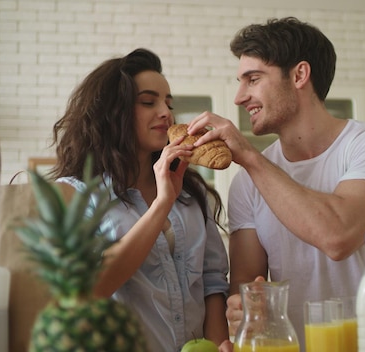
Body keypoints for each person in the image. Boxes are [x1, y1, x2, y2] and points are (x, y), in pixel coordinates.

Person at [187, 17, 365, 350]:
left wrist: (248, 155)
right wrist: (245, 308)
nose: (239, 97)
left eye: (253, 79)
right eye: (239, 81)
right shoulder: (248, 183)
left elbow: (338, 236)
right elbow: (246, 285)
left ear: (299, 75)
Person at [48, 48, 230, 352]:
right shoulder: (77, 195)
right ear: (113, 112)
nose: (166, 113)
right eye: (148, 102)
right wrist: (161, 205)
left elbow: (212, 283)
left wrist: (215, 345)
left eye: (168, 103)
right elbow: (88, 291)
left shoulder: (191, 193)